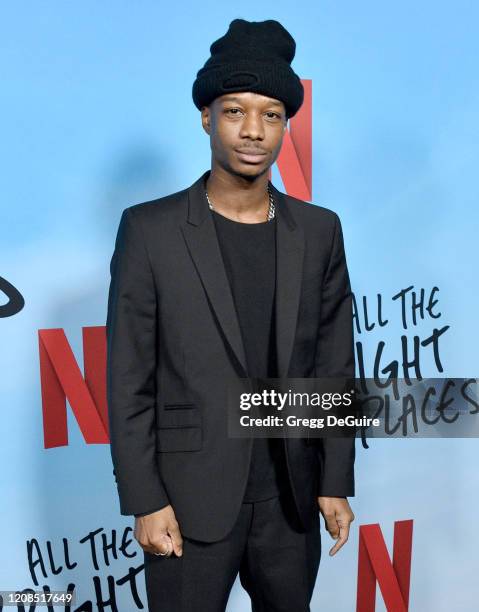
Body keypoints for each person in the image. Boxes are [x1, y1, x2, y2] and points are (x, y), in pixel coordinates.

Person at [106, 18, 355, 612]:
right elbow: (127, 380)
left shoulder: (319, 231)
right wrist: (145, 500)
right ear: (206, 116)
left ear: (287, 125)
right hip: (187, 506)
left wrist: (334, 482)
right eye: (235, 110)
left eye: (271, 114)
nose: (253, 130)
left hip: (290, 505)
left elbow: (333, 366)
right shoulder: (150, 230)